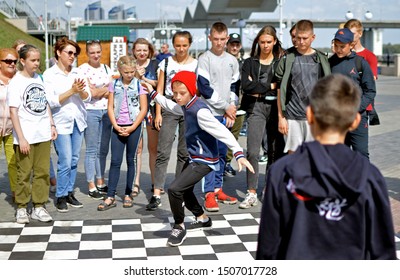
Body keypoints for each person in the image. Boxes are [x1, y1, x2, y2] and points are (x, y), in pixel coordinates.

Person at [256, 73, 396, 260]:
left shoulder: (281, 172)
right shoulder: (369, 176)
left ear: (310, 115)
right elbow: (383, 252)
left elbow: (268, 247)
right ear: (355, 121)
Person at [142, 71, 254, 246]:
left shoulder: (200, 111)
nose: (177, 97)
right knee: (184, 190)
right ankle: (202, 218)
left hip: (204, 161)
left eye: (182, 93)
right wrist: (153, 92)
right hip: (194, 158)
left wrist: (238, 153)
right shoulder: (186, 105)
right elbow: (170, 106)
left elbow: (222, 131)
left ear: (192, 91)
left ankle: (179, 226)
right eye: (175, 92)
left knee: (174, 189)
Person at [7, 45, 58, 223]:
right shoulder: (16, 82)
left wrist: (51, 124)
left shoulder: (40, 78)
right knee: (24, 173)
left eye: (38, 59)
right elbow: (13, 112)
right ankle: (21, 207)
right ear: (22, 61)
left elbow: (45, 104)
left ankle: (39, 206)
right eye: (33, 60)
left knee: (43, 172)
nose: (37, 63)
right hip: (25, 135)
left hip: (42, 133)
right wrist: (21, 138)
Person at [147, 31, 196, 211]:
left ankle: (179, 190)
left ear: (189, 45)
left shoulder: (196, 64)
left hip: (188, 110)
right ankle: (156, 192)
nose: (181, 49)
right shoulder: (166, 62)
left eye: (184, 45)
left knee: (184, 153)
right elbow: (159, 89)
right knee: (163, 151)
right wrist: (158, 113)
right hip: (169, 105)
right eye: (178, 45)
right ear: (173, 45)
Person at [239, 26, 285, 209]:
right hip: (255, 108)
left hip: (275, 108)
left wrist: (259, 85)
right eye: (262, 42)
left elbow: (282, 85)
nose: (265, 45)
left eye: (269, 42)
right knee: (252, 151)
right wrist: (271, 85)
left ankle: (269, 188)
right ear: (258, 42)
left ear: (274, 42)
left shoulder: (280, 62)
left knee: (274, 150)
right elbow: (247, 87)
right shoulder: (250, 62)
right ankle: (251, 192)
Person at [43, 37, 91, 213]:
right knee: (65, 159)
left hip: (78, 120)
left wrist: (82, 92)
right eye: (69, 53)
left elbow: (89, 97)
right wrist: (72, 91)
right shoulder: (49, 75)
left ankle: (70, 192)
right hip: (61, 122)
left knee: (74, 160)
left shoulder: (78, 72)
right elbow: (51, 101)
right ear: (58, 52)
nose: (72, 56)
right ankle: (61, 196)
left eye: (75, 53)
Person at [197, 22, 240, 212]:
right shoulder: (204, 59)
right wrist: (225, 107)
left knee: (222, 154)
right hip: (209, 115)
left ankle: (218, 189)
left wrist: (232, 108)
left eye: (223, 39)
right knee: (209, 155)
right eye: (216, 39)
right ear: (210, 38)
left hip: (226, 115)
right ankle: (208, 194)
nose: (219, 43)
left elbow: (235, 87)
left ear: (227, 38)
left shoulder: (232, 60)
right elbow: (204, 88)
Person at [97, 56, 147, 211]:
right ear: (120, 70)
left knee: (131, 160)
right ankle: (110, 195)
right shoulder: (114, 85)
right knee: (115, 161)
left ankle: (128, 193)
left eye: (132, 72)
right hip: (118, 126)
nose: (130, 75)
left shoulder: (140, 85)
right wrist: (115, 125)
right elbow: (110, 107)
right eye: (126, 72)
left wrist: (132, 127)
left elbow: (143, 108)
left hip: (134, 126)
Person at [275, 19, 331, 154]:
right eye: (298, 38)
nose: (301, 42)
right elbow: (280, 89)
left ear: (313, 38)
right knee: (293, 156)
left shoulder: (320, 59)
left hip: (314, 117)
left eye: (305, 38)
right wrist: (281, 117)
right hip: (292, 116)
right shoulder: (287, 58)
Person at [329, 28, 376, 159]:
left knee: (360, 154)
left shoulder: (361, 63)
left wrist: (357, 109)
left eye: (342, 46)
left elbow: (370, 91)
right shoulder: (330, 63)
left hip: (358, 117)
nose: (338, 49)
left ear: (351, 45)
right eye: (336, 46)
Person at [79, 39, 113, 200]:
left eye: (98, 52)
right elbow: (88, 94)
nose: (96, 55)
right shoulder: (81, 70)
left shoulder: (107, 68)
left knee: (103, 149)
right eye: (92, 52)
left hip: (106, 111)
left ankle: (101, 180)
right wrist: (102, 90)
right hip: (90, 112)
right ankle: (91, 183)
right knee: (92, 149)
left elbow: (112, 89)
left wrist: (98, 90)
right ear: (87, 53)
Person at [131, 38, 159, 197]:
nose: (141, 53)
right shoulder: (129, 65)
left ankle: (155, 182)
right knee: (137, 149)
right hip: (134, 110)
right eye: (138, 50)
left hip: (152, 110)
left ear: (149, 50)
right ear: (134, 51)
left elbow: (159, 83)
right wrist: (134, 74)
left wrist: (144, 79)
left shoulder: (155, 64)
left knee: (153, 148)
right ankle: (136, 182)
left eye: (144, 50)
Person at [223, 32, 247, 177]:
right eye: (232, 44)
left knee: (234, 137)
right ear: (227, 45)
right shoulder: (222, 61)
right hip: (224, 107)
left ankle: (227, 162)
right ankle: (219, 163)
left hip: (240, 108)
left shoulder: (245, 64)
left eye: (237, 44)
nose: (234, 47)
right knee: (221, 136)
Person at [0, 48, 18, 202]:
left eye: (14, 61)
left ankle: (15, 191)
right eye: (7, 61)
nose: (11, 64)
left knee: (14, 162)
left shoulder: (18, 81)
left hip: (13, 129)